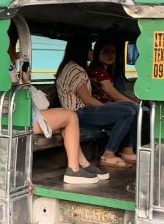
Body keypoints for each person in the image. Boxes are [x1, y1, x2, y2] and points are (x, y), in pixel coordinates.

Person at [7, 27, 108, 185]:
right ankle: (73, 170)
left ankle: (84, 164)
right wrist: (25, 81)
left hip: (14, 115)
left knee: (65, 123)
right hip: (21, 117)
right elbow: (13, 86)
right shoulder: (6, 62)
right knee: (70, 116)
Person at [56, 37, 139, 167]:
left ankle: (127, 150)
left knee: (131, 108)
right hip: (79, 113)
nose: (92, 51)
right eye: (89, 48)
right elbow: (86, 99)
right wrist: (107, 109)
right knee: (127, 111)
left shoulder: (72, 67)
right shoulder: (75, 69)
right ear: (81, 50)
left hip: (83, 111)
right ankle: (108, 154)